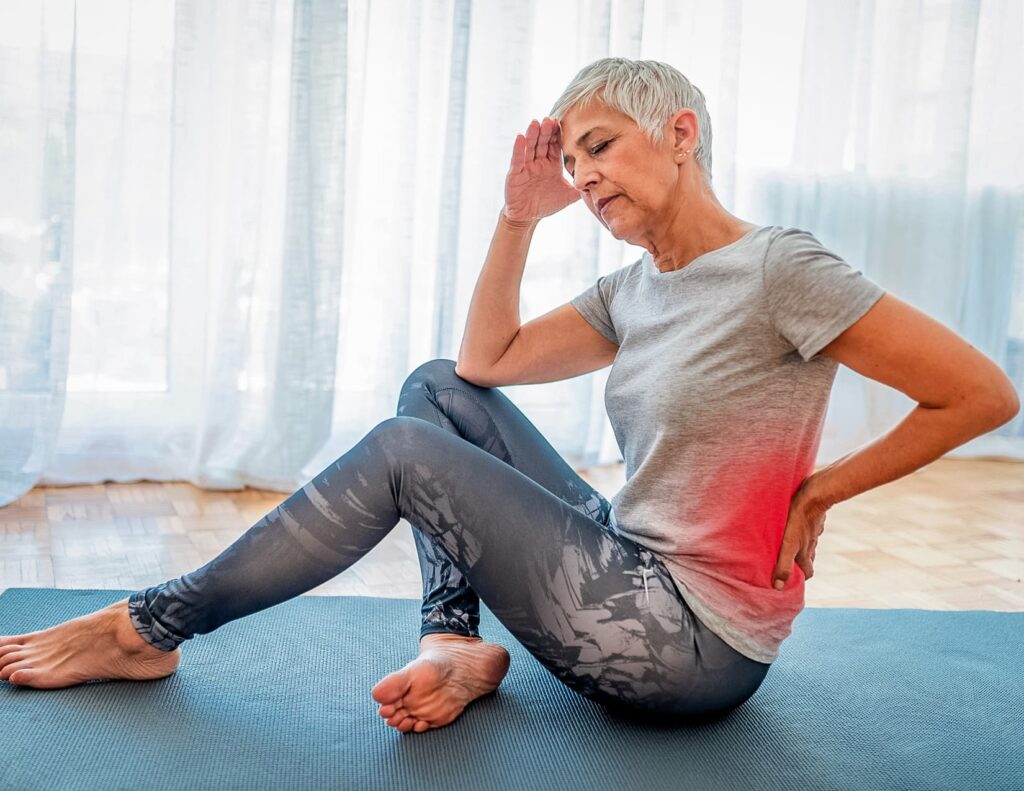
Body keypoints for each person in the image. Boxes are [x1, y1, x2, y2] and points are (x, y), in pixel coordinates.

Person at [0, 58, 1017, 735]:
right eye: (569, 162)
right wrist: (517, 218)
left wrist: (820, 490)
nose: (582, 174)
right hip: (624, 560)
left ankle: (148, 628)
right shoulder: (635, 284)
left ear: (680, 131)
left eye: (601, 146)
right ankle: (453, 637)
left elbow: (978, 393)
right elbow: (480, 364)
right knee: (433, 393)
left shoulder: (780, 269)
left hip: (687, 644)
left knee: (406, 449)